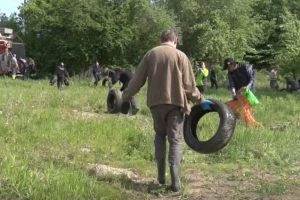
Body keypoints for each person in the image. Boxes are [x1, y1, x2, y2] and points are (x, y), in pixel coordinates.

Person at [122, 30, 203, 192]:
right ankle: (175, 176)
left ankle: (160, 176)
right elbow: (189, 86)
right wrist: (200, 100)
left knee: (159, 135)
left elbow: (137, 79)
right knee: (175, 140)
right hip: (176, 104)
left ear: (161, 40)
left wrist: (125, 96)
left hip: (156, 103)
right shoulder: (181, 56)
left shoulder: (151, 54)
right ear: (175, 41)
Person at [224, 58, 260, 127]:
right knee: (236, 106)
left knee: (246, 107)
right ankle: (237, 121)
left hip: (248, 89)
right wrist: (233, 90)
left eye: (229, 67)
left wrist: (247, 87)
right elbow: (231, 83)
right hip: (238, 91)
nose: (228, 69)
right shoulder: (230, 73)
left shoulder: (244, 67)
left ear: (233, 64)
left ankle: (250, 123)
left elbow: (252, 79)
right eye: (227, 67)